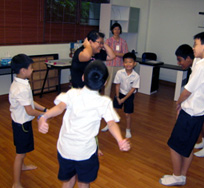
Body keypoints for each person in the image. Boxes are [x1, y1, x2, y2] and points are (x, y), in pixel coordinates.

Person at [38, 60, 130, 188]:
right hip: (85, 152)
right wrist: (120, 140)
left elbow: (59, 108)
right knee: (83, 182)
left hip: (65, 149)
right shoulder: (104, 102)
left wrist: (44, 116)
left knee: (68, 181)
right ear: (105, 83)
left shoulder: (72, 93)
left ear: (83, 77)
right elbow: (111, 123)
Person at [159, 32, 204, 186]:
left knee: (174, 145)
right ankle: (182, 176)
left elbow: (187, 91)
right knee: (187, 146)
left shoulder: (202, 67)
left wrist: (178, 102)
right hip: (197, 114)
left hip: (190, 114)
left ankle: (177, 175)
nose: (193, 47)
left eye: (196, 44)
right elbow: (193, 58)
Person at [70, 30, 115, 156]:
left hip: (92, 94)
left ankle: (93, 146)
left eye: (102, 43)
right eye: (99, 43)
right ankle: (79, 144)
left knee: (92, 121)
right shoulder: (81, 52)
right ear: (89, 42)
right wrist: (88, 45)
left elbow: (112, 56)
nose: (101, 46)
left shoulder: (98, 53)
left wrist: (102, 44)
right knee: (80, 121)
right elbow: (87, 57)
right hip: (79, 94)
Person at [9, 54, 47, 188]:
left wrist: (45, 109)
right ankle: (16, 183)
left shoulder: (21, 82)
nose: (33, 70)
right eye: (31, 68)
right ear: (23, 70)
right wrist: (43, 115)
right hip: (22, 125)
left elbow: (30, 102)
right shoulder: (21, 88)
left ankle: (23, 166)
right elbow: (30, 111)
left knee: (22, 150)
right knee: (19, 154)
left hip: (21, 122)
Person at [102, 52, 140, 138]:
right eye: (126, 62)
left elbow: (133, 89)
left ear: (134, 64)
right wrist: (118, 97)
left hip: (129, 96)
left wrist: (124, 99)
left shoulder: (136, 76)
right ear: (123, 63)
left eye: (130, 62)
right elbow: (117, 85)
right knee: (114, 110)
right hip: (119, 94)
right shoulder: (119, 72)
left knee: (127, 114)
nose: (128, 64)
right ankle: (109, 125)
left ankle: (128, 130)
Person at [104, 22, 129, 97]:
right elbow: (106, 53)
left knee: (120, 83)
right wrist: (117, 54)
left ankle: (118, 98)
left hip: (120, 65)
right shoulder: (108, 41)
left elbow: (125, 54)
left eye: (118, 29)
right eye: (115, 29)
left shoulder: (123, 41)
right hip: (110, 65)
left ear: (120, 30)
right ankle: (106, 99)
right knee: (108, 83)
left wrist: (114, 53)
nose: (117, 31)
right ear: (112, 30)